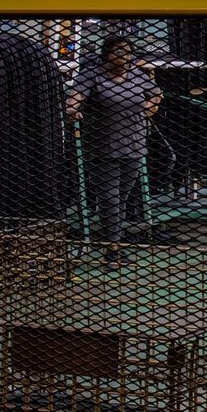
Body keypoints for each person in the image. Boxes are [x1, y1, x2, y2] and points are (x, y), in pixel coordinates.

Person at [68, 34, 162, 260]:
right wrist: (72, 109)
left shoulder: (137, 75)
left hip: (134, 144)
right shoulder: (92, 75)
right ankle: (113, 248)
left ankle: (114, 238)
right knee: (109, 196)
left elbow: (157, 93)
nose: (124, 56)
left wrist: (149, 108)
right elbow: (76, 96)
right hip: (103, 146)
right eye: (118, 51)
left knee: (122, 196)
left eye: (128, 52)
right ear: (106, 54)